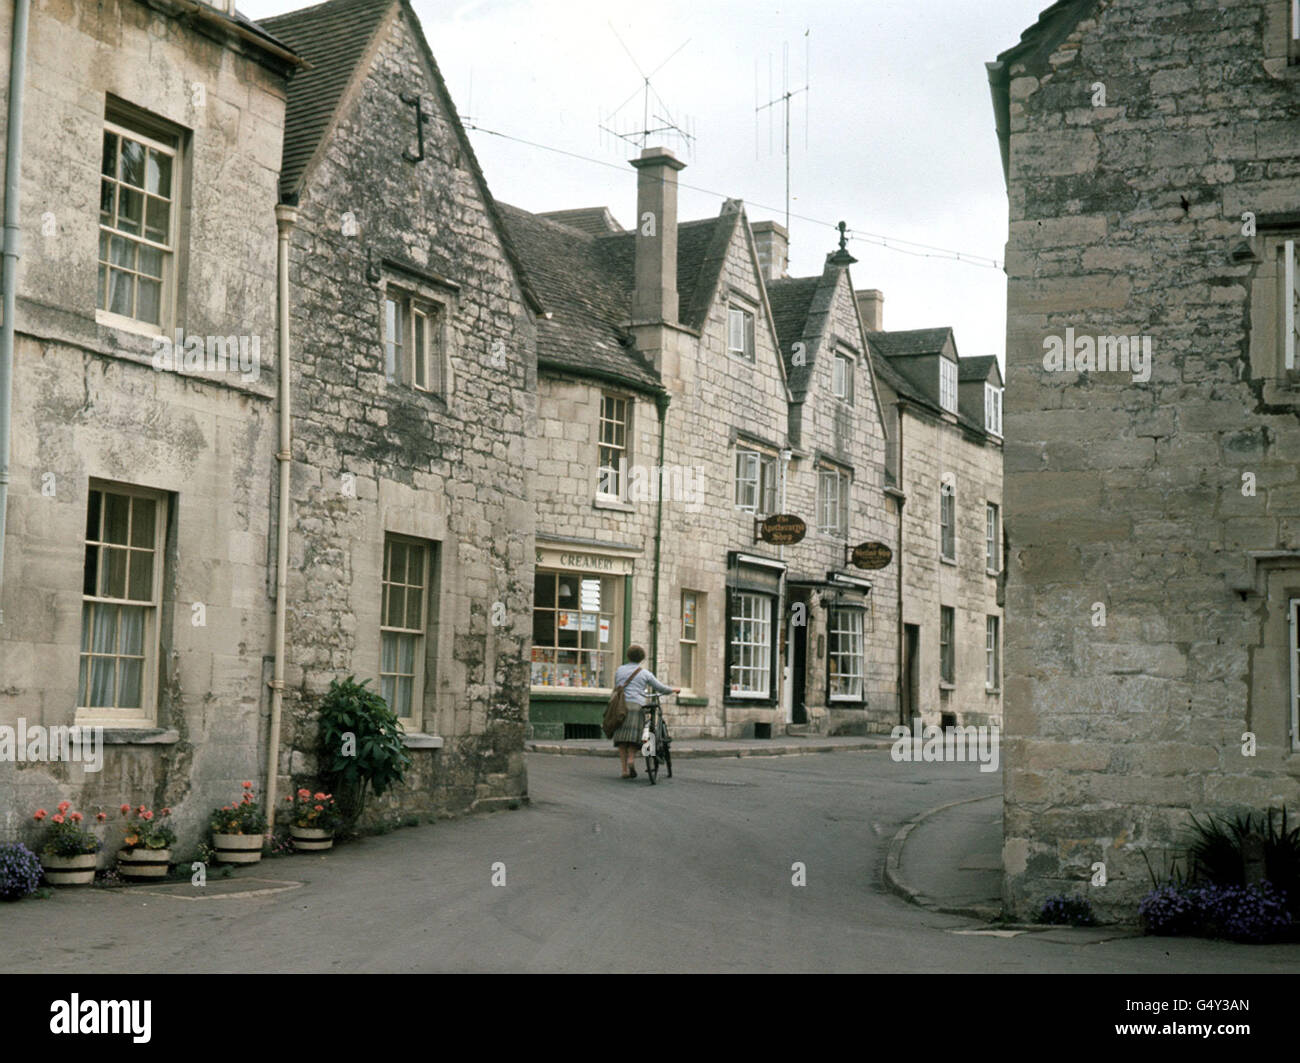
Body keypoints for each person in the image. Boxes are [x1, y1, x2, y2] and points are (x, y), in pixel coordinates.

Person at [609, 645, 678, 779]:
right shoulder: (644, 673)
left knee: (622, 739)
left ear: (628, 656)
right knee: (634, 737)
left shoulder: (619, 670)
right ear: (641, 658)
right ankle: (631, 759)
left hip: (620, 707)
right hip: (637, 706)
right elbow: (660, 688)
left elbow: (617, 686)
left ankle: (624, 770)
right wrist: (673, 690)